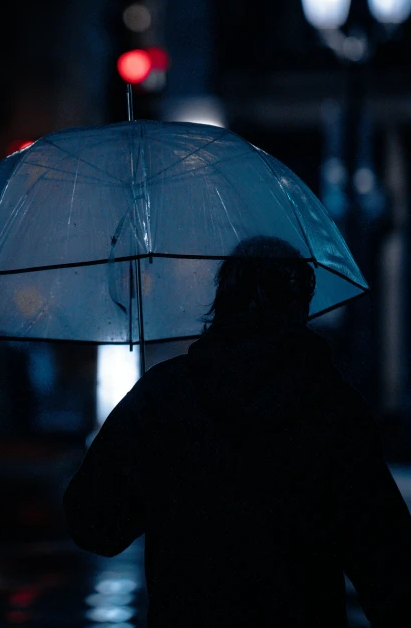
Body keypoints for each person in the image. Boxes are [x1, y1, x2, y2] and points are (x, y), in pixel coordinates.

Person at [63, 236, 411, 627]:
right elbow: (387, 568)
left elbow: (93, 524)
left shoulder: (165, 397)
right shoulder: (333, 407)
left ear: (222, 299)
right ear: (301, 304)